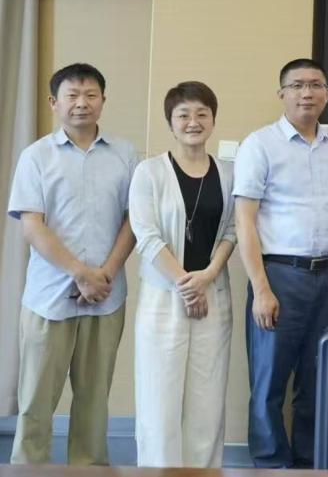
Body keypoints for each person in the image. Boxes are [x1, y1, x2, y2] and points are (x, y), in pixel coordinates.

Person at [6, 63, 136, 465]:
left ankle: (89, 470)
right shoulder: (36, 156)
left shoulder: (125, 154)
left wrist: (105, 275)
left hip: (106, 297)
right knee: (35, 401)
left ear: (103, 101)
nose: (82, 103)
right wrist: (81, 274)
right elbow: (32, 226)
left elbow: (133, 220)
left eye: (91, 95)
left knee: (94, 402)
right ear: (54, 102)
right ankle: (28, 471)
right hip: (49, 298)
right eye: (72, 95)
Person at [233, 58, 328, 468]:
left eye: (316, 85)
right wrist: (261, 288)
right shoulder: (259, 145)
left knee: (318, 379)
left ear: (327, 93)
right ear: (282, 93)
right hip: (280, 276)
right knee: (269, 381)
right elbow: (245, 221)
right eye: (297, 85)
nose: (307, 93)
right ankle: (270, 465)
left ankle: (309, 463)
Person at [129, 81, 236, 467]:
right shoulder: (149, 172)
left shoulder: (229, 173)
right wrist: (186, 286)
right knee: (159, 402)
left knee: (207, 404)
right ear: (170, 122)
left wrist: (206, 277)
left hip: (214, 296)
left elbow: (232, 231)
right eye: (183, 115)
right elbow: (146, 236)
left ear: (213, 119)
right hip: (163, 298)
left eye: (202, 113)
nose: (193, 122)